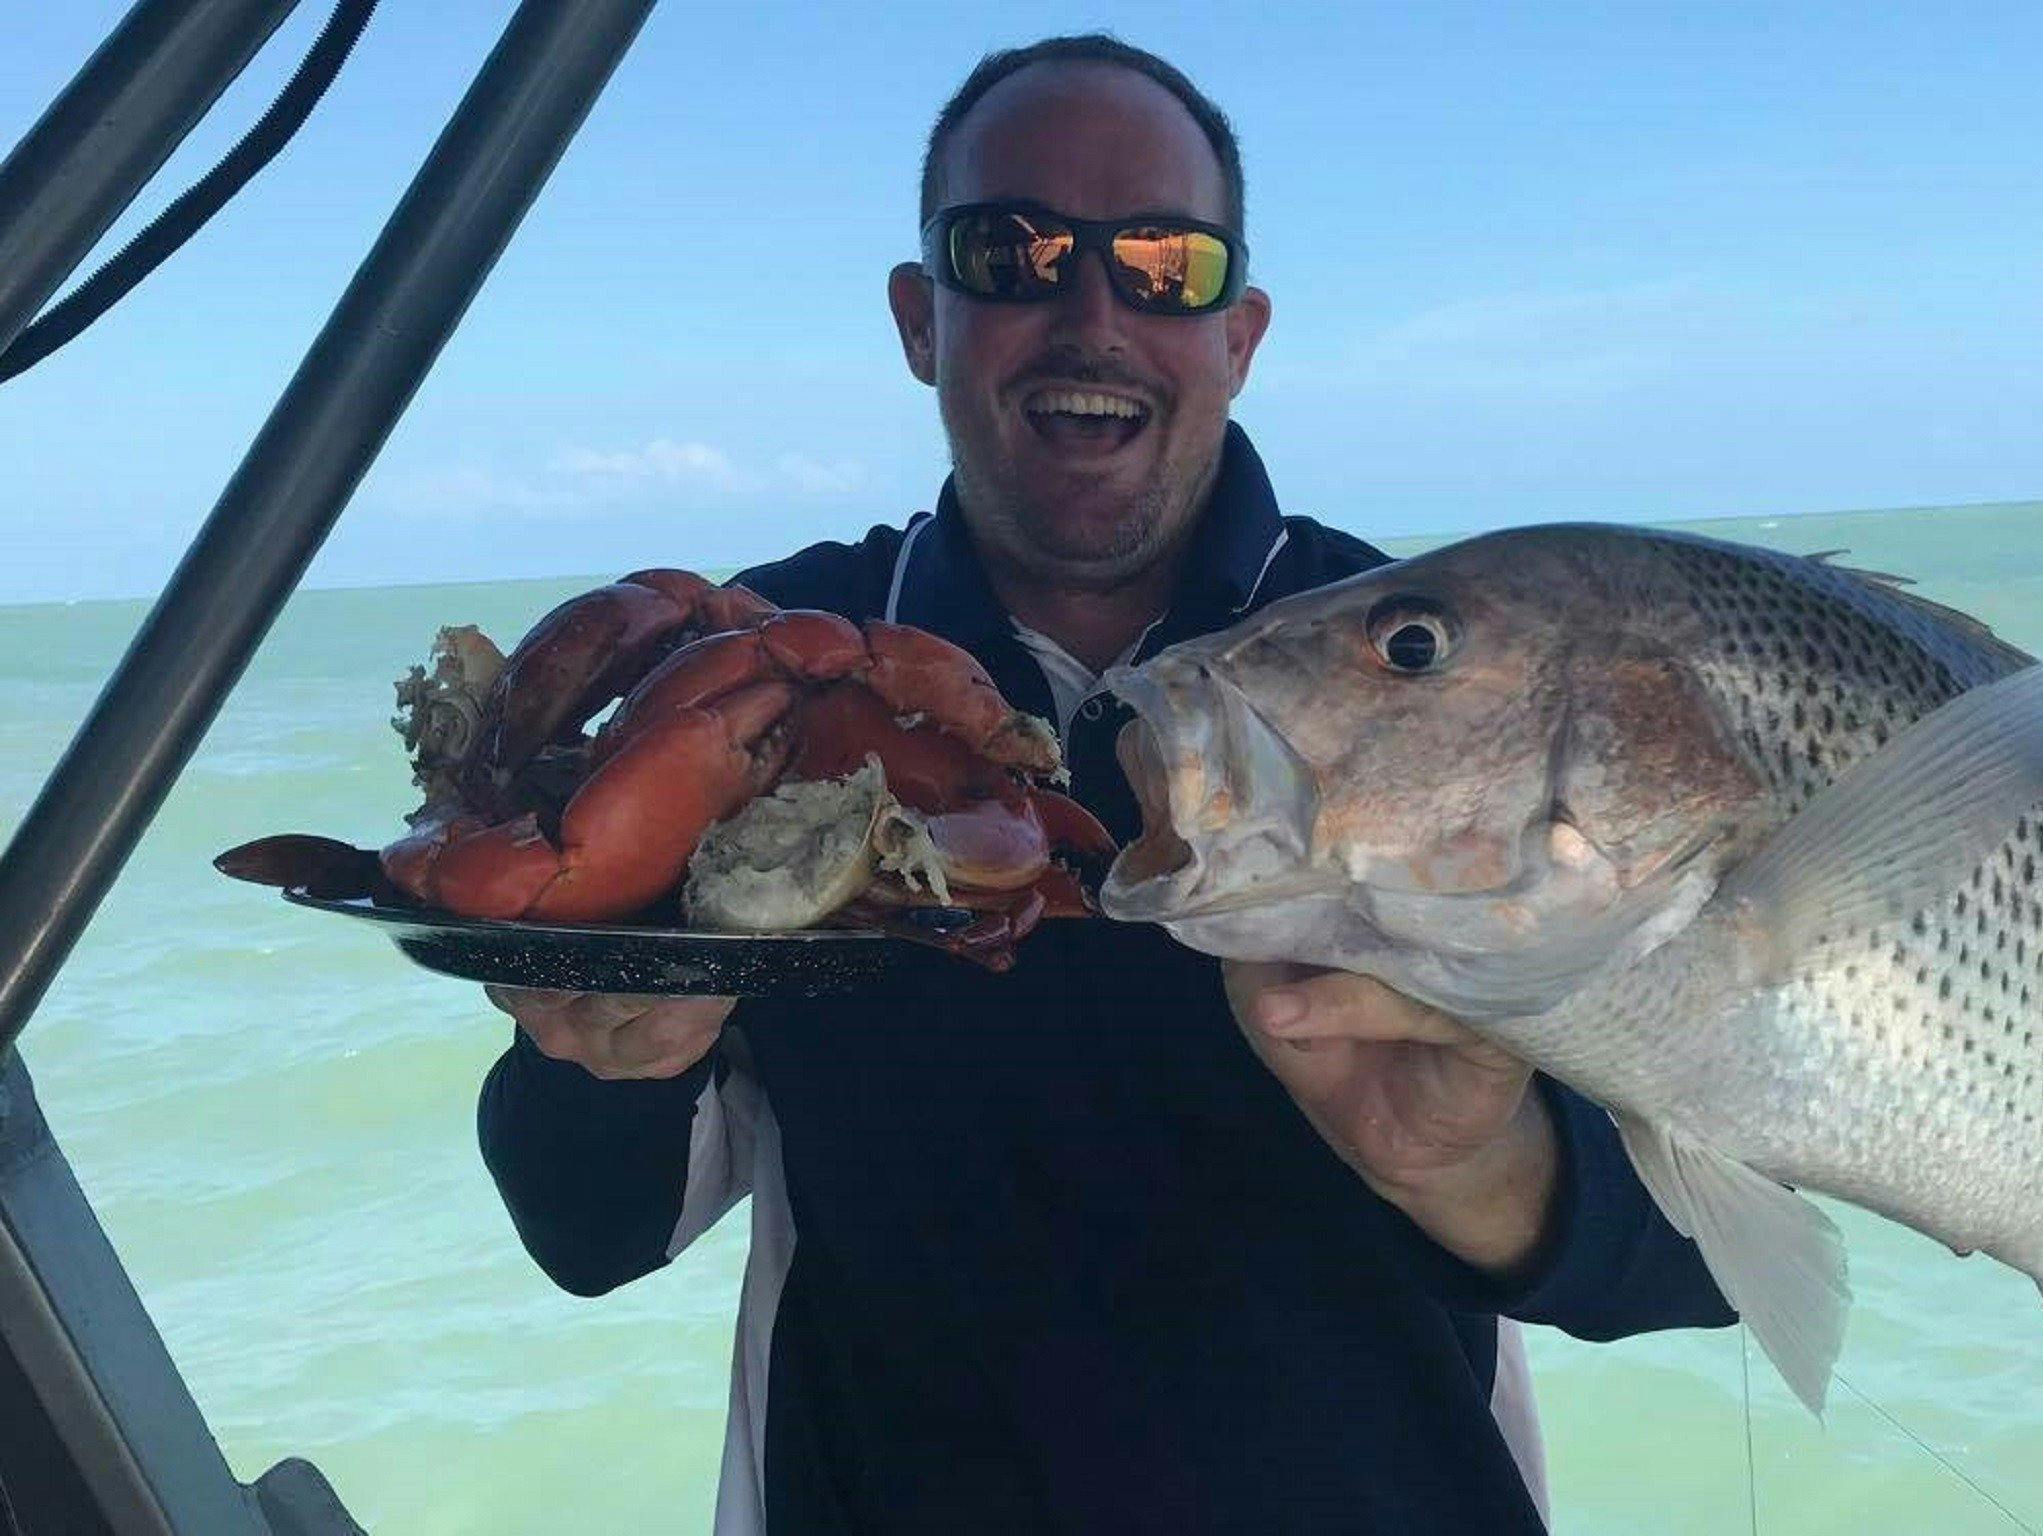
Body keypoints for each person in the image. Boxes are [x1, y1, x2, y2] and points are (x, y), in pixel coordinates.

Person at [477, 34, 1734, 1536]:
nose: (1091, 313)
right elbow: (594, 1230)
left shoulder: (1441, 671)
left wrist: (1482, 1158)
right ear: (918, 320)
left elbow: (1698, 1251)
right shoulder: (765, 673)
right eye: (1008, 252)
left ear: (1240, 334)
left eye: (1163, 262)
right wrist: (605, 1049)